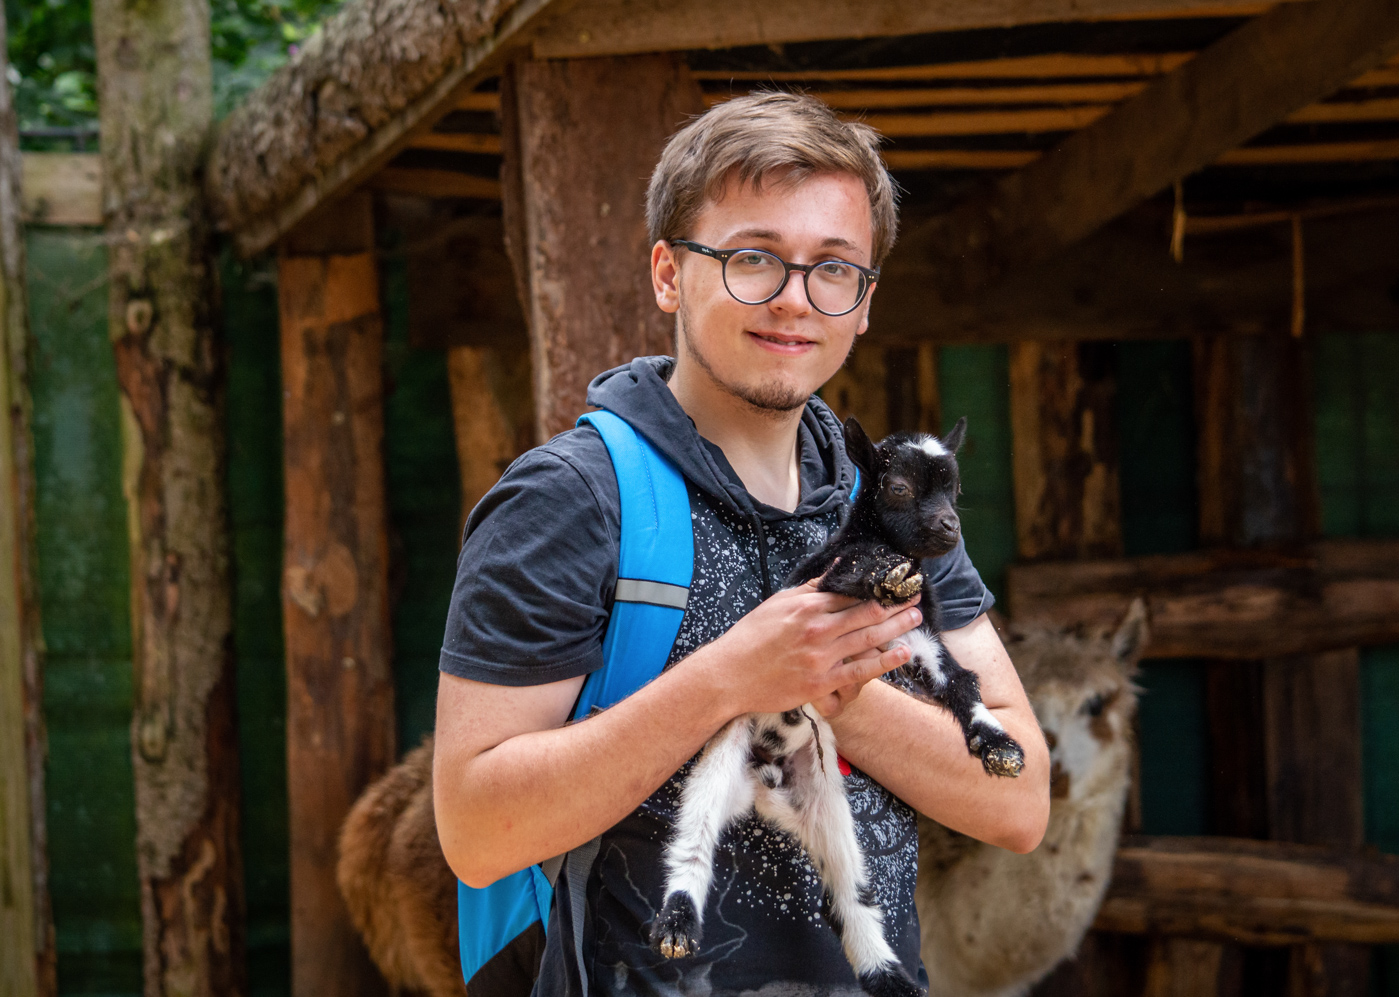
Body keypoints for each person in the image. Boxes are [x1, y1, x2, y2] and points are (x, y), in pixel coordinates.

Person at [433, 91, 1051, 995]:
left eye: (832, 267)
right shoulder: (569, 500)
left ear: (864, 302)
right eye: (752, 257)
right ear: (668, 274)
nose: (794, 299)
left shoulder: (896, 507)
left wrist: (835, 691)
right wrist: (730, 679)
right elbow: (476, 830)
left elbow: (1020, 802)